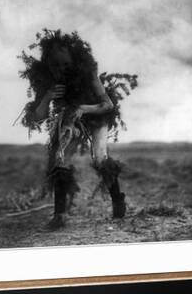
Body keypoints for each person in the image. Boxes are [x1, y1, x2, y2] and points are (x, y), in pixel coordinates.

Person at [18, 29, 137, 229]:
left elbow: (108, 105)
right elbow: (38, 117)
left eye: (65, 63)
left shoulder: (87, 70)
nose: (61, 68)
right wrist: (48, 96)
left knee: (100, 157)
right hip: (72, 116)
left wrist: (83, 108)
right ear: (49, 62)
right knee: (60, 156)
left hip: (96, 113)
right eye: (56, 64)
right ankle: (59, 215)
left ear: (71, 56)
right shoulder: (46, 77)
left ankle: (118, 200)